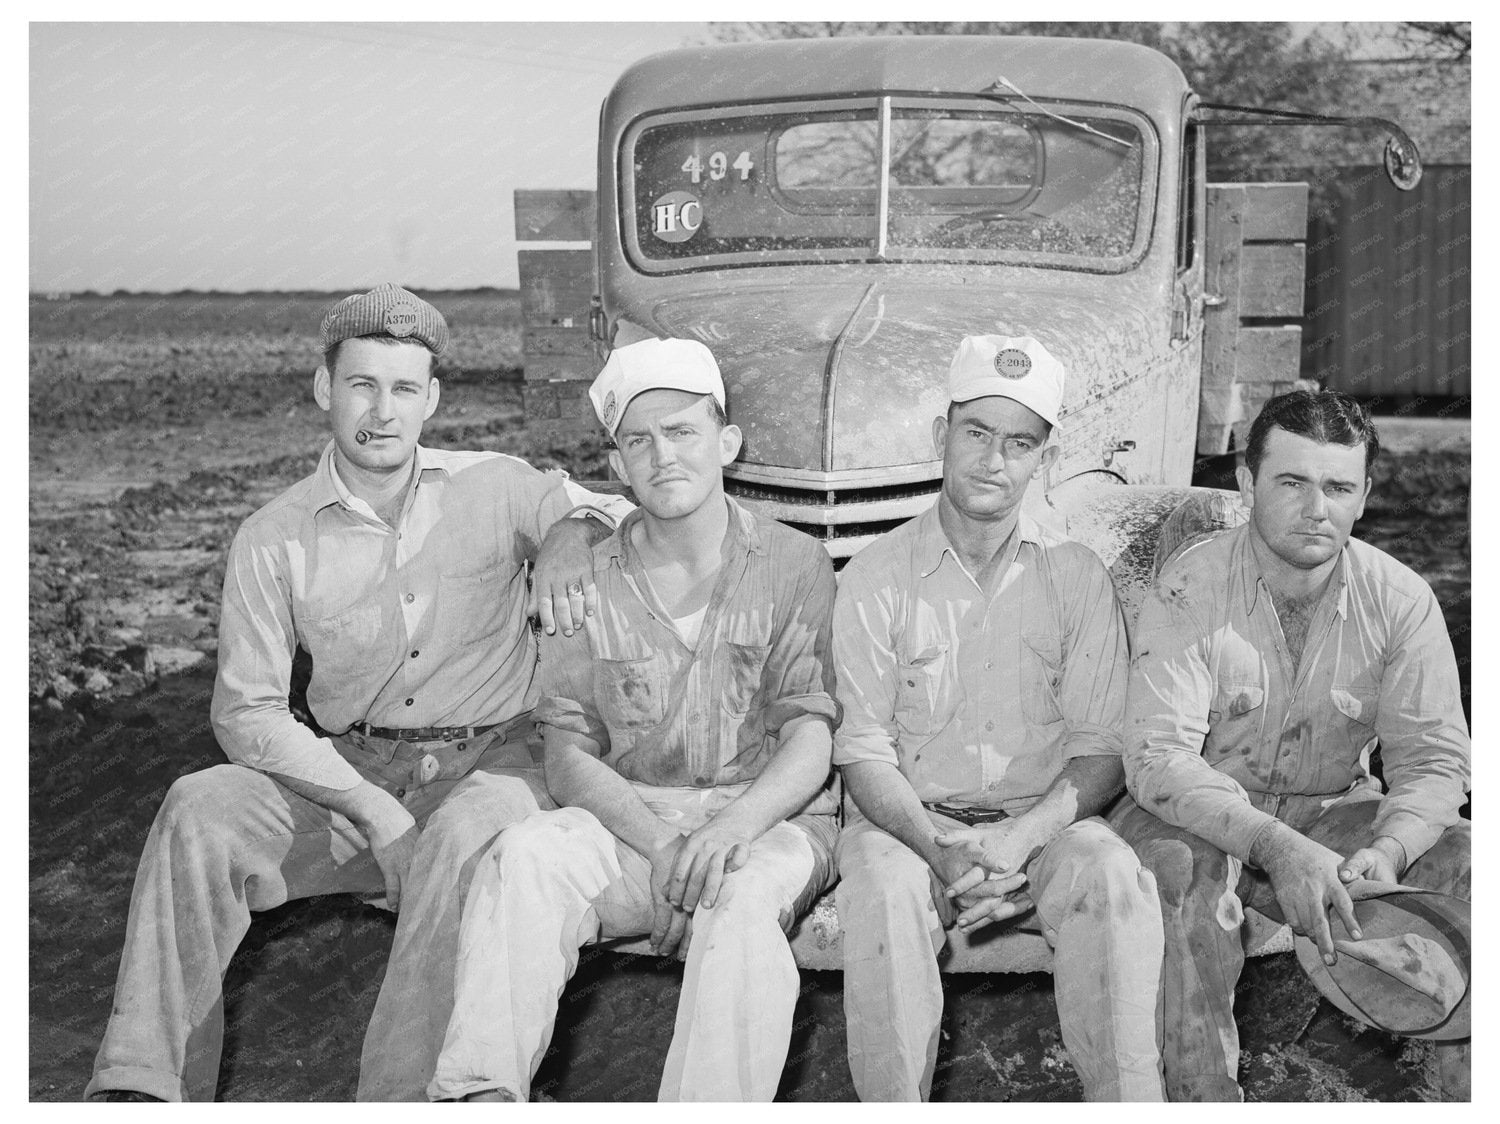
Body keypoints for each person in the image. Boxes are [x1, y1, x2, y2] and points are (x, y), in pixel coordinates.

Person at [85, 283, 631, 1102]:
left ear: (433, 399)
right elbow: (248, 710)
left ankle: (405, 1102)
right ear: (324, 390)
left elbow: (615, 507)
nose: (382, 411)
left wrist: (571, 532)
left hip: (497, 760)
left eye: (404, 388)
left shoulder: (496, 484)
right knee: (198, 810)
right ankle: (141, 1088)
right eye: (362, 385)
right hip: (353, 771)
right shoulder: (273, 536)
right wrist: (375, 813)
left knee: (463, 839)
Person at [421, 336, 840, 1102]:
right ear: (616, 466)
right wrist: (667, 847)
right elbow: (570, 754)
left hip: (767, 822)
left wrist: (725, 835)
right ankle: (480, 1095)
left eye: (683, 432)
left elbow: (810, 735)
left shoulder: (793, 564)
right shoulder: (586, 583)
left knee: (740, 901)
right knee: (526, 856)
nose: (663, 456)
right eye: (638, 441)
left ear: (728, 443)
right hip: (635, 825)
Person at [831, 335, 1165, 1102]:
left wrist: (1017, 839)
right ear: (939, 434)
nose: (992, 459)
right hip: (908, 827)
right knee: (883, 893)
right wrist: (938, 847)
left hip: (1039, 823)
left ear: (1044, 461)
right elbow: (864, 751)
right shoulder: (876, 575)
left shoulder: (1076, 576)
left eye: (1019, 443)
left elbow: (1100, 746)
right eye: (975, 432)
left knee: (1112, 875)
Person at [1113, 389, 1471, 1101]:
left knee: (1469, 862)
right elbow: (1157, 758)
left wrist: (1390, 848)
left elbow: (1433, 760)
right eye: (1293, 482)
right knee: (1185, 876)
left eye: (1339, 487)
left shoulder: (1399, 600)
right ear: (1248, 485)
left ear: (1365, 495)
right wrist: (1277, 847)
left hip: (1334, 813)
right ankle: (1201, 1098)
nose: (1318, 508)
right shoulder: (1191, 584)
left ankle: (1463, 1091)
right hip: (1197, 815)